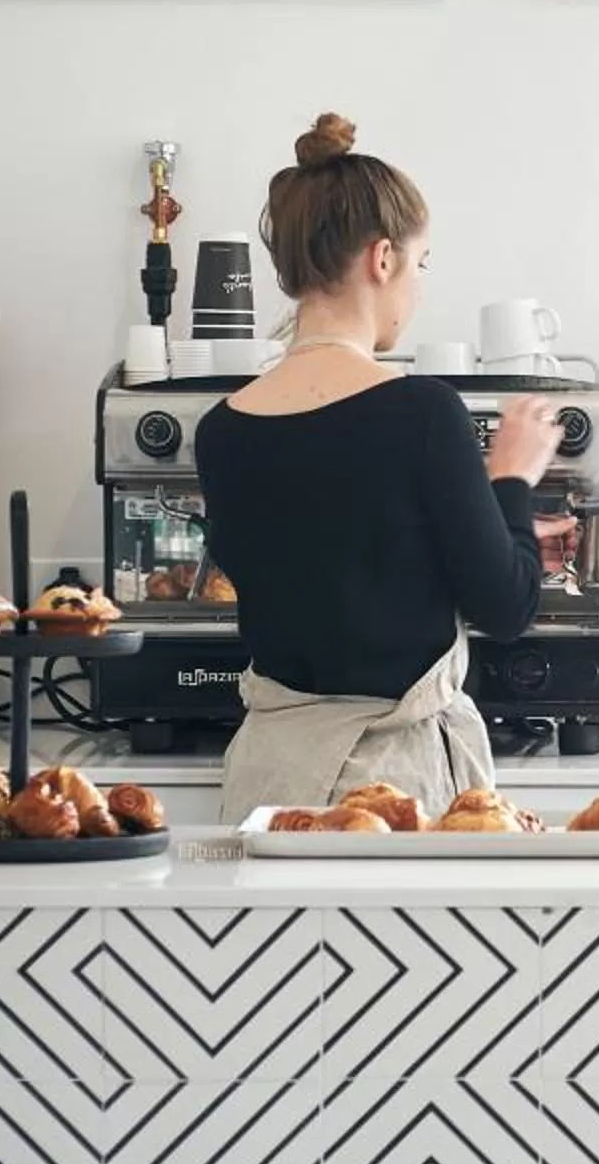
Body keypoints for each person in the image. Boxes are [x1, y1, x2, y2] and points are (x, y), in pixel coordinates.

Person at [194, 111, 561, 819]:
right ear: (382, 258)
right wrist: (511, 477)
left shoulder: (222, 431)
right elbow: (506, 605)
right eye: (420, 265)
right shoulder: (422, 414)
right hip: (392, 795)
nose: (417, 288)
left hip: (269, 785)